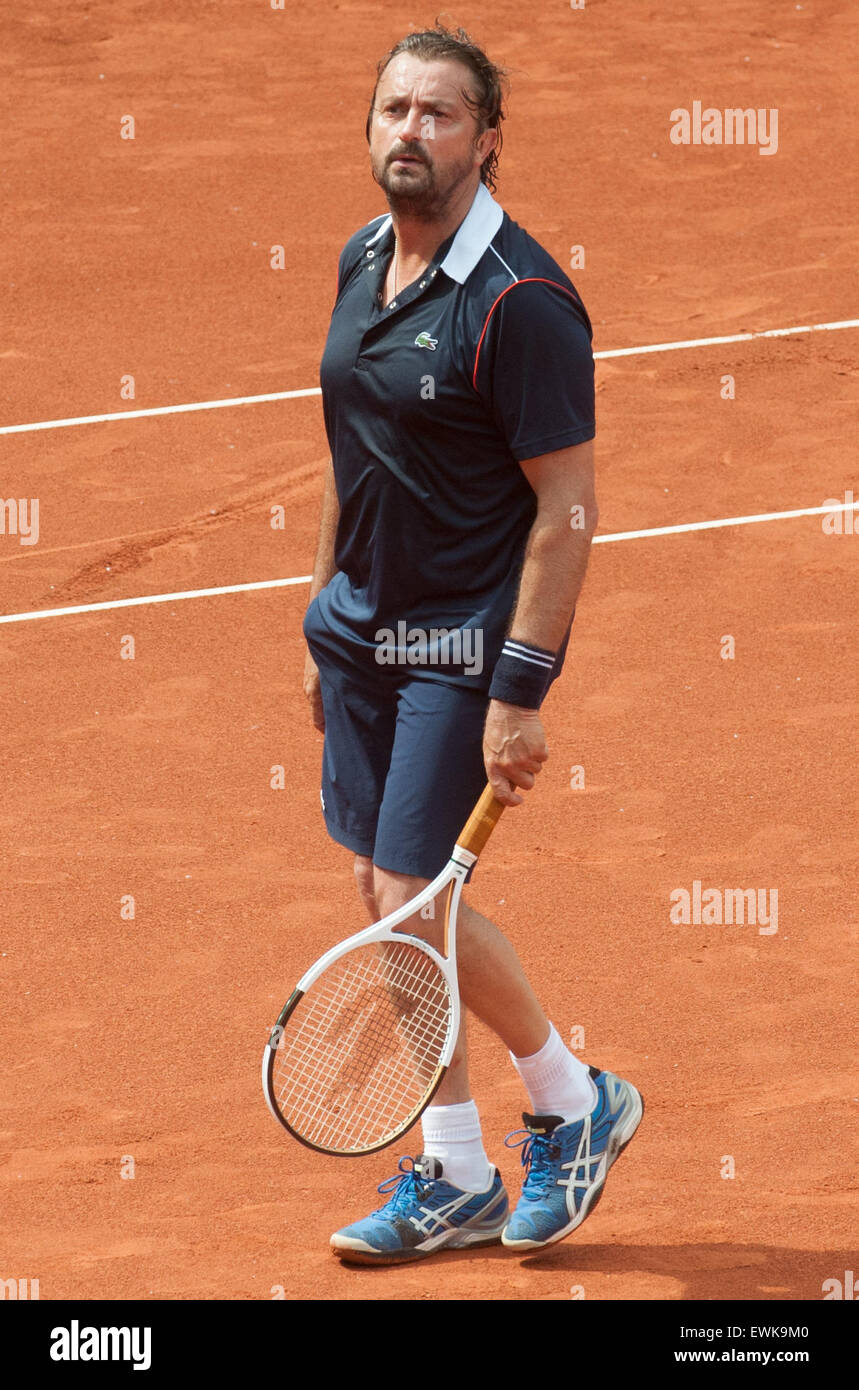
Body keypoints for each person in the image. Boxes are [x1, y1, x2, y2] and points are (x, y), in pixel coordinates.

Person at [302, 23, 643, 1264]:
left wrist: (520, 690)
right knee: (380, 897)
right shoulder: (361, 259)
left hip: (456, 644)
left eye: (439, 114)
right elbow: (356, 449)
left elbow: (569, 508)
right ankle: (453, 1171)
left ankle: (571, 1096)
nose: (411, 131)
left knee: (410, 898)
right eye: (393, 108)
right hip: (360, 630)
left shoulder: (523, 303)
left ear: (486, 140)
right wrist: (319, 610)